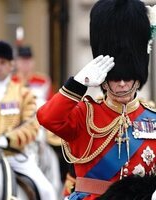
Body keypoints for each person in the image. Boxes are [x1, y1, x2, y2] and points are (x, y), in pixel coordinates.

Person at [37, 0, 156, 199]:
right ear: (104, 79)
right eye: (115, 78)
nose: (122, 84)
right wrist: (78, 84)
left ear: (138, 76)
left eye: (127, 77)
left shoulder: (152, 119)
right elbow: (47, 117)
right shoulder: (85, 114)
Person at [0, 40, 57, 200]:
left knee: (47, 191)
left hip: (13, 155)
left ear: (11, 65)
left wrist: (8, 140)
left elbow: (32, 125)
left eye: (3, 62)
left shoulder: (24, 94)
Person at [13, 45, 63, 194]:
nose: (25, 64)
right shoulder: (12, 82)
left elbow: (52, 105)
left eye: (28, 60)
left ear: (33, 62)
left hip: (42, 128)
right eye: (22, 60)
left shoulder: (43, 81)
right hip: (19, 128)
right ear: (16, 62)